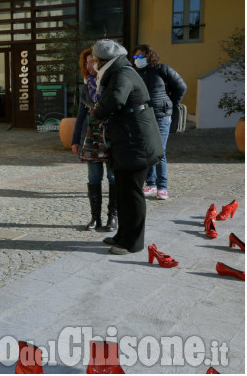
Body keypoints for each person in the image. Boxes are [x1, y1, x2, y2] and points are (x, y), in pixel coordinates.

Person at [90, 40, 164, 255]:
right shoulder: (120, 71)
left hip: (136, 144)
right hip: (127, 143)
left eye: (95, 61)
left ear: (104, 60)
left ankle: (132, 242)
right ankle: (123, 235)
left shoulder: (123, 73)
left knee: (132, 194)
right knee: (123, 192)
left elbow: (116, 99)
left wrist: (97, 112)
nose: (94, 65)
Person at [131, 44, 187, 200]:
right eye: (135, 57)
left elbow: (181, 86)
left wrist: (171, 103)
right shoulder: (135, 73)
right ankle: (151, 184)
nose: (138, 60)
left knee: (159, 151)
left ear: (149, 56)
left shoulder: (162, 69)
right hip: (143, 116)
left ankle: (162, 187)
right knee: (148, 150)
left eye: (141, 56)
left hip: (162, 115)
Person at [71, 48, 117, 232]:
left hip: (110, 135)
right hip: (90, 137)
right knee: (94, 177)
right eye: (87, 62)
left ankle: (112, 217)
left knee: (113, 177)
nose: (90, 65)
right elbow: (81, 115)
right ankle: (95, 218)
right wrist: (75, 140)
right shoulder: (86, 86)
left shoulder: (112, 82)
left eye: (93, 61)